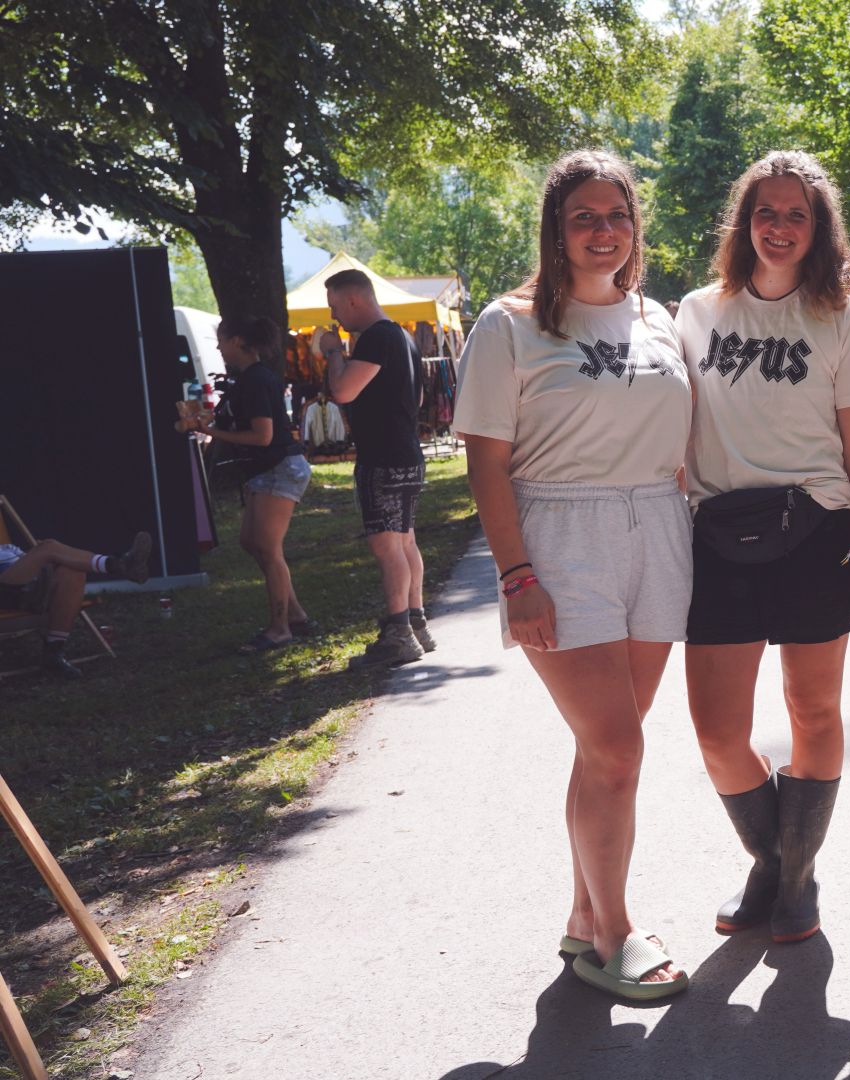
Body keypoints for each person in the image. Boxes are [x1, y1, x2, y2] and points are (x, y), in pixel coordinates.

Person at [452, 149, 694, 1000]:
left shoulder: (657, 318)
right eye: (584, 217)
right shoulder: (508, 325)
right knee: (618, 747)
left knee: (605, 749)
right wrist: (518, 577)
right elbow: (486, 464)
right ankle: (617, 935)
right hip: (559, 535)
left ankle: (583, 916)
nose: (603, 231)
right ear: (556, 229)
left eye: (617, 215)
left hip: (657, 530)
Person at [674, 150, 850, 944]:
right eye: (764, 212)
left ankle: (796, 879)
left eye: (795, 214)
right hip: (718, 535)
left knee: (813, 709)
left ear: (818, 228)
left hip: (817, 533)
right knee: (716, 732)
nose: (778, 226)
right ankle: (772, 857)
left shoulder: (844, 320)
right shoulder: (696, 312)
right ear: (744, 223)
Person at [320, 269, 432, 668]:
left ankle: (399, 635)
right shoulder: (402, 336)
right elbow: (418, 397)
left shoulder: (376, 337)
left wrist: (334, 352)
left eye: (335, 306)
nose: (334, 316)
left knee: (387, 547)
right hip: (407, 452)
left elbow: (342, 390)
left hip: (383, 457)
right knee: (404, 541)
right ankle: (416, 623)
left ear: (353, 299)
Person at [191, 316, 313, 652]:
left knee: (268, 549)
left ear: (237, 341)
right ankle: (296, 616)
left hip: (279, 467)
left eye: (221, 340)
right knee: (251, 542)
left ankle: (280, 629)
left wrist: (212, 432)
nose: (218, 347)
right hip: (264, 470)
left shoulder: (257, 380)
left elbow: (263, 436)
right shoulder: (246, 379)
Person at [0, 532, 149, 678]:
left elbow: (31, 566)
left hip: (27, 589)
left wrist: (37, 555)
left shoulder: (8, 548)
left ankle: (53, 654)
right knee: (49, 547)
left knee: (73, 570)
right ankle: (119, 565)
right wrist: (44, 552)